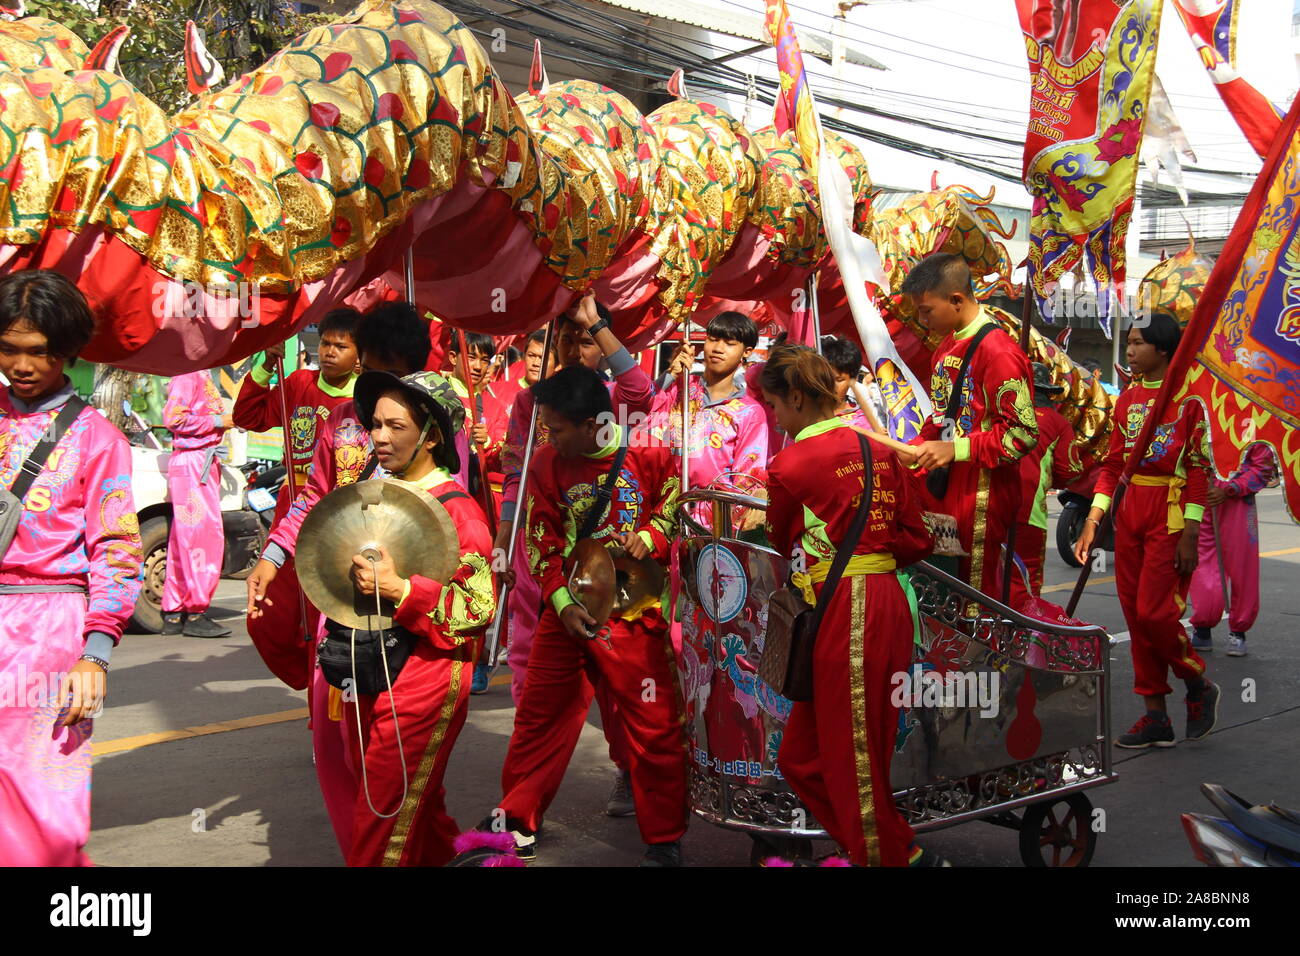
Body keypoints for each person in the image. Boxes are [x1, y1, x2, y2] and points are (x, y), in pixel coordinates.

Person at [246, 301, 432, 856]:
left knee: (399, 762)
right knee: (337, 749)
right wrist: (274, 557)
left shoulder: (442, 424)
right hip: (340, 610)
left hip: (411, 614)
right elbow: (313, 498)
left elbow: (457, 519)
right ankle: (366, 849)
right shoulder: (342, 423)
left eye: (385, 369)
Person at [488, 365, 688, 865]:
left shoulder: (653, 456)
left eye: (556, 429)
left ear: (592, 423)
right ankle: (517, 819)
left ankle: (664, 836)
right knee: (540, 719)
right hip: (568, 612)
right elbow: (542, 544)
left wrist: (654, 536)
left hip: (634, 613)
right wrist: (560, 604)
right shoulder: (545, 466)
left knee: (653, 722)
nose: (548, 438)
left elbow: (674, 509)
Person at [761, 345, 938, 866]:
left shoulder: (789, 464)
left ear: (795, 398)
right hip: (880, 601)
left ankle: (890, 857)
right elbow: (917, 538)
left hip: (849, 608)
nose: (774, 417)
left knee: (852, 758)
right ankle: (890, 849)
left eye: (774, 406)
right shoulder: (876, 448)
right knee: (803, 758)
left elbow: (779, 537)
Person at [0, 269, 143, 865]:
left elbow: (117, 550)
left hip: (51, 634)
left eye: (41, 353)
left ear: (69, 353)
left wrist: (95, 654)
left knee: (42, 803)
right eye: (8, 348)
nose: (23, 365)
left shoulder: (98, 438)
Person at [494, 295, 653, 815]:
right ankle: (521, 805)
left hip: (621, 581)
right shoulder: (529, 404)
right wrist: (503, 535)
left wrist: (598, 325)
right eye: (564, 334)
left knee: (627, 692)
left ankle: (633, 773)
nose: (572, 344)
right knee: (535, 673)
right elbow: (521, 473)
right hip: (546, 557)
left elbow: (639, 389)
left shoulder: (610, 406)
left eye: (581, 337)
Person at [339, 370, 495, 865]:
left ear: (430, 435)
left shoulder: (460, 512)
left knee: (385, 817)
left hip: (428, 676)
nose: (380, 437)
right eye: (376, 424)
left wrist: (402, 591)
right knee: (413, 806)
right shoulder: (379, 490)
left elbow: (477, 610)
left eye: (396, 427)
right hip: (374, 668)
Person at [1074, 311, 1218, 748]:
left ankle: (1196, 682)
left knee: (1158, 614)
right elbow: (1114, 464)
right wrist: (1094, 520)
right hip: (1130, 509)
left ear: (1162, 349)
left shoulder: (1189, 400)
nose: (1130, 350)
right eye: (1129, 341)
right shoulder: (1128, 397)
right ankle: (1155, 715)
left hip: (1170, 513)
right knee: (1137, 619)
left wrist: (1191, 531)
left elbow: (1197, 469)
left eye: (1138, 342)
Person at [232, 307, 361, 688]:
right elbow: (247, 415)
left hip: (339, 516)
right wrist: (264, 364)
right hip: (293, 510)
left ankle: (323, 698)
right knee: (275, 612)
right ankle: (307, 677)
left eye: (341, 345)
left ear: (360, 354)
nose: (330, 351)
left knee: (328, 614)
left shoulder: (366, 397)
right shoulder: (298, 383)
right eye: (325, 343)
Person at [902, 253, 1037, 598]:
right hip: (948, 485)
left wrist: (955, 448)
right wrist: (915, 446)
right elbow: (941, 419)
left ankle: (981, 652)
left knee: (974, 593)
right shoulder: (945, 348)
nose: (921, 319)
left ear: (957, 300)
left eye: (926, 310)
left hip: (983, 491)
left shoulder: (999, 352)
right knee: (943, 584)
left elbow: (1021, 434)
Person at [650, 311, 768, 531]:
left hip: (713, 520)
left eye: (730, 343)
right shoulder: (681, 387)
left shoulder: (749, 412)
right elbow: (646, 412)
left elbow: (747, 480)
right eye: (713, 339)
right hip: (660, 507)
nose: (718, 348)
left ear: (747, 352)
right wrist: (669, 375)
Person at [160, 370, 234, 638]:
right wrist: (218, 420)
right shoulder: (188, 374)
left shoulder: (202, 374)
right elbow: (173, 419)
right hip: (194, 462)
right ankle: (195, 612)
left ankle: (174, 612)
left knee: (184, 541)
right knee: (202, 539)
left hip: (199, 461)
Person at [1189, 442, 1276, 657]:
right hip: (1201, 494)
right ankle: (1202, 628)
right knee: (1201, 562)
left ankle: (1238, 631)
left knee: (1242, 565)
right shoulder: (1196, 411)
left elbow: (1262, 467)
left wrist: (1231, 489)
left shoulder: (1252, 420)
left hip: (1237, 500)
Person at [1010, 363, 1081, 601]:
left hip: (989, 506)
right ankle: (1021, 633)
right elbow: (1069, 470)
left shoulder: (1003, 412)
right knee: (1027, 579)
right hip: (1029, 511)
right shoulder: (1057, 422)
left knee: (992, 576)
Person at [821, 335, 887, 432]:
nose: (831, 386)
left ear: (853, 378)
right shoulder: (805, 415)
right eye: (824, 378)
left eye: (839, 380)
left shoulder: (864, 395)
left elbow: (882, 435)